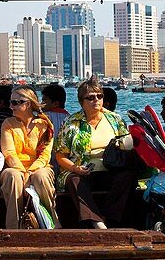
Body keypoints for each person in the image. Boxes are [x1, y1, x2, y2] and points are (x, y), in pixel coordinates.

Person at [54, 78, 136, 229]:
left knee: (127, 176)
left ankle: (106, 216)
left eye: (99, 96)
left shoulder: (114, 119)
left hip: (110, 168)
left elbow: (128, 144)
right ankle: (95, 221)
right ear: (81, 102)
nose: (96, 100)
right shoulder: (71, 122)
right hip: (80, 170)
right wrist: (74, 168)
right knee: (75, 180)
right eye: (90, 97)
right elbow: (60, 155)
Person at [0, 87, 59, 229]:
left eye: (15, 102)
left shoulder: (44, 125)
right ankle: (14, 228)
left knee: (41, 177)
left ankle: (53, 225)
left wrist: (30, 172)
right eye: (10, 102)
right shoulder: (7, 124)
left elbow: (45, 156)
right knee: (13, 176)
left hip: (39, 167)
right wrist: (23, 172)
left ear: (27, 104)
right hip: (14, 168)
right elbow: (9, 153)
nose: (10, 106)